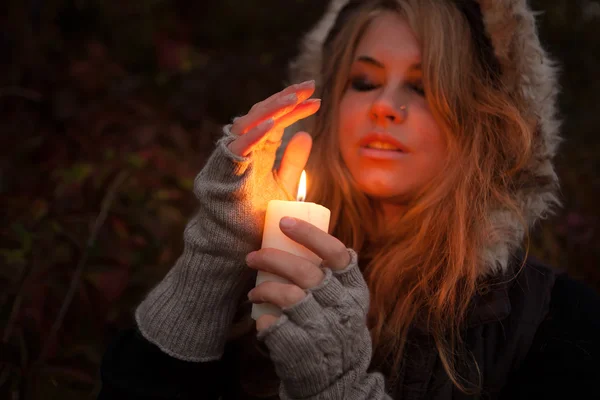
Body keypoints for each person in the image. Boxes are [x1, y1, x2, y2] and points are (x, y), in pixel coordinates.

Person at [98, 0, 600, 399]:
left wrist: (338, 390)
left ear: (480, 123)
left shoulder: (559, 324)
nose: (385, 106)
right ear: (330, 103)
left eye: (424, 87)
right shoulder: (257, 274)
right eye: (365, 82)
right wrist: (212, 258)